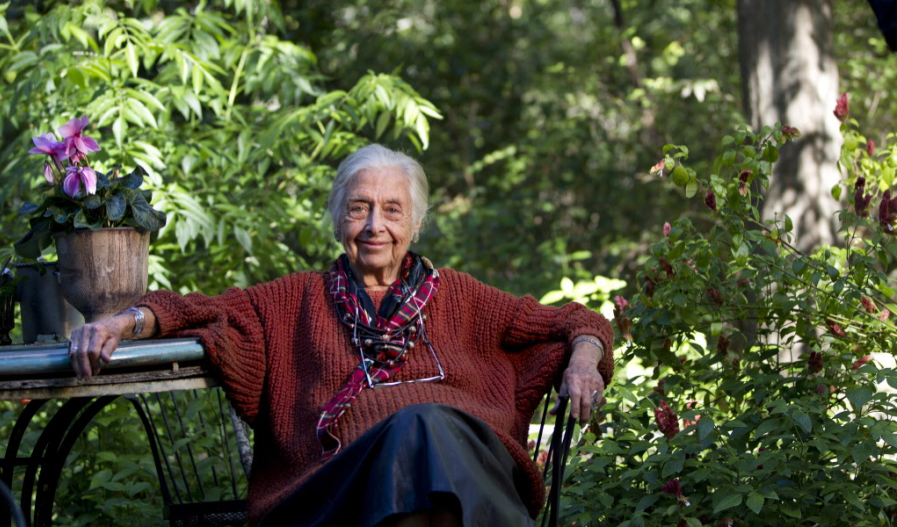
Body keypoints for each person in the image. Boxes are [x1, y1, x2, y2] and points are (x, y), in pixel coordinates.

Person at [68, 144, 615, 527]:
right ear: (338, 220)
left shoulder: (463, 297)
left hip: (465, 483)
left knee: (428, 436)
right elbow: (202, 309)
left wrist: (584, 361)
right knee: (420, 425)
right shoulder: (293, 301)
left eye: (392, 210)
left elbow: (578, 321)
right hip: (333, 494)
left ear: (415, 225)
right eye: (359, 208)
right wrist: (124, 320)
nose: (375, 224)